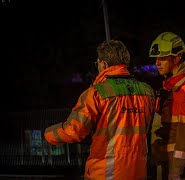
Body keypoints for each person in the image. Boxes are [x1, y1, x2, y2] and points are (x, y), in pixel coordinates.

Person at [44, 40, 156, 179]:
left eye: (97, 63)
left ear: (104, 64)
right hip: (137, 172)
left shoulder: (96, 93)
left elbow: (75, 130)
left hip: (105, 173)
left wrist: (49, 134)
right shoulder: (147, 92)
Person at [149, 32, 185, 180]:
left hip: (180, 168)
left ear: (177, 57)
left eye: (163, 58)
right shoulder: (171, 85)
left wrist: (176, 170)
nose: (157, 63)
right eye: (156, 59)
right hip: (167, 160)